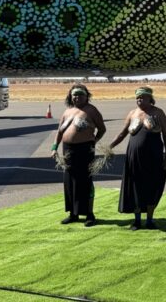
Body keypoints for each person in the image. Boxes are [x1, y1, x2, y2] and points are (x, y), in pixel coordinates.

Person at [109, 86, 166, 230]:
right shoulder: (132, 113)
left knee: (151, 186)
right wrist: (109, 147)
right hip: (134, 157)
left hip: (153, 156)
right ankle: (137, 220)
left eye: (142, 97)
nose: (139, 100)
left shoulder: (158, 113)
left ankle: (149, 220)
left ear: (150, 98)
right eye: (137, 97)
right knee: (135, 186)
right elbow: (122, 134)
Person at [50, 84, 106, 226]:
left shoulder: (91, 110)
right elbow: (59, 132)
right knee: (70, 181)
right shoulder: (67, 111)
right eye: (75, 94)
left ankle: (89, 214)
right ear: (70, 96)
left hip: (85, 150)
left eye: (81, 94)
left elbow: (102, 129)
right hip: (68, 150)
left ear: (86, 96)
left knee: (85, 181)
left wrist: (94, 141)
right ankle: (73, 213)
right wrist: (54, 148)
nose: (77, 97)